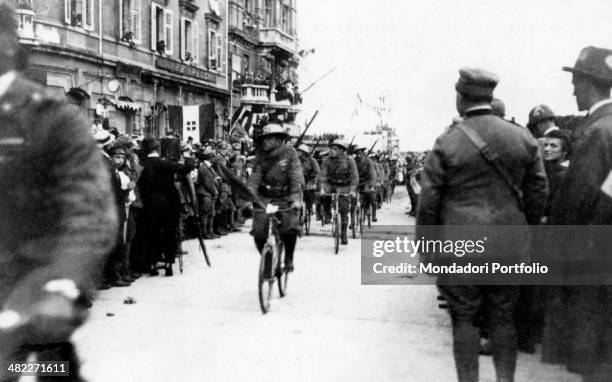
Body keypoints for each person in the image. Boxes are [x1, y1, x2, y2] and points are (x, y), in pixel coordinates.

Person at [0, 3, 118, 379]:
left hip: (30, 285)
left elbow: (87, 212)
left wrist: (64, 283)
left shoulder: (52, 119)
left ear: (5, 44)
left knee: (40, 366)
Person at [416, 67, 547, 382]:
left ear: (461, 98)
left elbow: (429, 201)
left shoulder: (448, 141)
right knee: (503, 318)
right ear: (490, 97)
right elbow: (539, 191)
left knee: (464, 319)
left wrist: (427, 248)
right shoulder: (522, 137)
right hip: (509, 245)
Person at [549, 46, 612, 382]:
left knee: (591, 354)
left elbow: (578, 200)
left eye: (575, 81)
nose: (572, 89)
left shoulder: (597, 131)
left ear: (588, 82)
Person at [248, 124, 304, 272]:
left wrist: (296, 199)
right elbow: (254, 178)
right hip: (265, 197)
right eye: (263, 139)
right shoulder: (260, 155)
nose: (264, 142)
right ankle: (267, 261)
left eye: (268, 139)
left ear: (278, 140)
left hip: (285, 196)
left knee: (290, 227)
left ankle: (289, 258)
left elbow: (296, 177)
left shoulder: (290, 153)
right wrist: (249, 198)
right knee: (258, 233)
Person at [137, 137, 194, 277]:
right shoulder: (167, 163)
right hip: (170, 205)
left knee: (152, 234)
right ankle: (169, 263)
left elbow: (142, 187)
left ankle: (153, 263)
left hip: (151, 206)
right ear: (157, 149)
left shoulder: (144, 166)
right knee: (170, 233)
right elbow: (187, 168)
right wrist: (187, 155)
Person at [319, 139, 359, 244]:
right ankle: (327, 214)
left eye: (335, 148)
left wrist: (353, 190)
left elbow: (355, 177)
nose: (332, 150)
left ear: (342, 150)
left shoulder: (350, 160)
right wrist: (322, 188)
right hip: (331, 184)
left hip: (344, 185)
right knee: (323, 195)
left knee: (344, 210)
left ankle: (344, 234)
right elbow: (323, 175)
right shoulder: (326, 160)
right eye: (331, 148)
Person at [353, 146, 377, 222]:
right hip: (357, 182)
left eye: (360, 153)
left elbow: (372, 174)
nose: (358, 155)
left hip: (367, 182)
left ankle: (374, 215)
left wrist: (371, 185)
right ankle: (353, 221)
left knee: (371, 197)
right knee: (352, 200)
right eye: (356, 154)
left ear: (363, 154)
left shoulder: (368, 161)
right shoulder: (353, 161)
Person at [296, 143, 321, 217]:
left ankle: (310, 207)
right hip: (299, 179)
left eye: (299, 151)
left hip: (310, 180)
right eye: (298, 151)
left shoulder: (312, 160)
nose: (298, 152)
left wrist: (315, 181)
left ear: (304, 153)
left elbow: (318, 172)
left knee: (308, 192)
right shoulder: (296, 160)